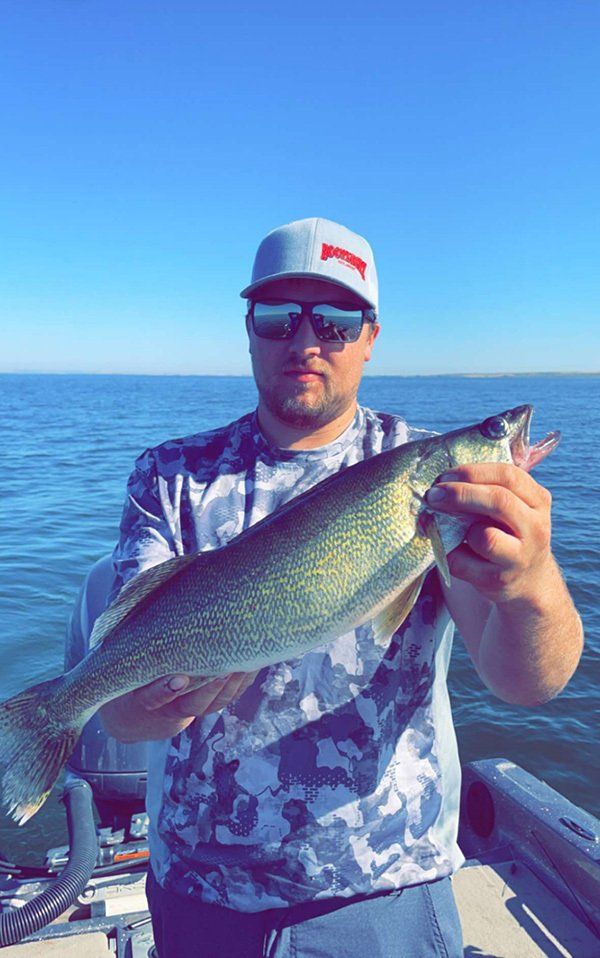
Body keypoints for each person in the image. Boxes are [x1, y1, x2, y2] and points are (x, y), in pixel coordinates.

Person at [100, 217, 583, 958]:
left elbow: (527, 683)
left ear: (370, 335)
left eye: (335, 319)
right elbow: (127, 721)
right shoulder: (169, 477)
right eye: (277, 317)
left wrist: (532, 584)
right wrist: (139, 702)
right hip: (200, 897)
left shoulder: (437, 484)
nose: (305, 341)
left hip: (385, 896)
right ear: (249, 328)